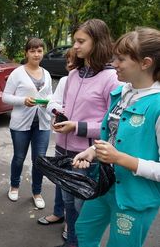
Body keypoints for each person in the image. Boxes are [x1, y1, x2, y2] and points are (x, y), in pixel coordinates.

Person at [73, 27, 160, 247]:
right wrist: (93, 150)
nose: (114, 64)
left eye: (121, 59)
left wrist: (119, 158)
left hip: (134, 198)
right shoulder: (122, 93)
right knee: (83, 230)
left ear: (145, 63)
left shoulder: (157, 106)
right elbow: (112, 136)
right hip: (105, 185)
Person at [50, 19, 121, 247]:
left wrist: (77, 127)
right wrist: (60, 118)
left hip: (86, 156)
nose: (75, 47)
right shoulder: (73, 74)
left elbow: (112, 123)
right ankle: (71, 242)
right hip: (63, 149)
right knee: (69, 204)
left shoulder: (112, 78)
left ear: (98, 42)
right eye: (74, 42)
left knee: (83, 208)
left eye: (81, 41)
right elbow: (68, 108)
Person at [2, 37, 53, 209]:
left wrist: (48, 102)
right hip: (21, 124)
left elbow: (51, 96)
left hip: (42, 124)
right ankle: (14, 186)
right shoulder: (18, 73)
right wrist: (23, 100)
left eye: (39, 50)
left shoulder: (46, 73)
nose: (36, 54)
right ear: (26, 53)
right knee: (19, 157)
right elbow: (5, 96)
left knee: (39, 160)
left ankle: (37, 192)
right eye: (32, 51)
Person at [38, 47, 77, 240]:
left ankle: (71, 224)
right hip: (62, 140)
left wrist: (73, 118)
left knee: (74, 186)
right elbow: (53, 102)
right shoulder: (64, 80)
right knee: (60, 178)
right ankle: (58, 212)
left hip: (82, 147)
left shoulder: (101, 80)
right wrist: (58, 112)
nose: (70, 65)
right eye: (68, 61)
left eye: (74, 61)